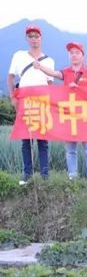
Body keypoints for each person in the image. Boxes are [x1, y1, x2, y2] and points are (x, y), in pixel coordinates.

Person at [33, 41, 87, 189]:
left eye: (77, 52)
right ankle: (72, 177)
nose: (74, 55)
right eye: (71, 53)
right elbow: (54, 73)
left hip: (85, 116)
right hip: (69, 117)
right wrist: (40, 67)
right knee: (70, 149)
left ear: (82, 55)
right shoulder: (66, 72)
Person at [7, 24, 55, 185]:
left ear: (41, 38)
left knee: (42, 140)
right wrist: (12, 97)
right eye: (30, 36)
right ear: (26, 38)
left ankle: (45, 175)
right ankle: (27, 174)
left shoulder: (49, 60)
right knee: (26, 140)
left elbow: (50, 83)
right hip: (25, 102)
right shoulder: (19, 56)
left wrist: (51, 103)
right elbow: (11, 77)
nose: (34, 39)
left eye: (36, 36)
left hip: (42, 102)